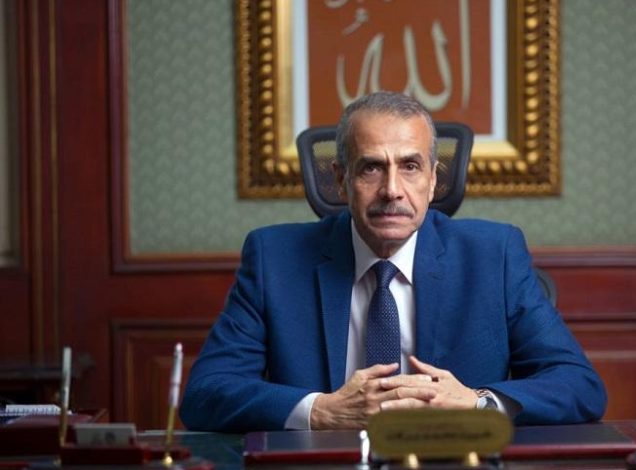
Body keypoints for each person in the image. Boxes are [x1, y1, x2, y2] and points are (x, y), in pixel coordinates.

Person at [179, 91, 607, 432]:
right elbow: (206, 393)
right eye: (371, 168)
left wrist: (477, 403)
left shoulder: (494, 255)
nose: (392, 190)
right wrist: (321, 411)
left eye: (410, 167)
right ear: (341, 180)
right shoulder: (273, 258)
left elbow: (579, 385)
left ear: (433, 180)